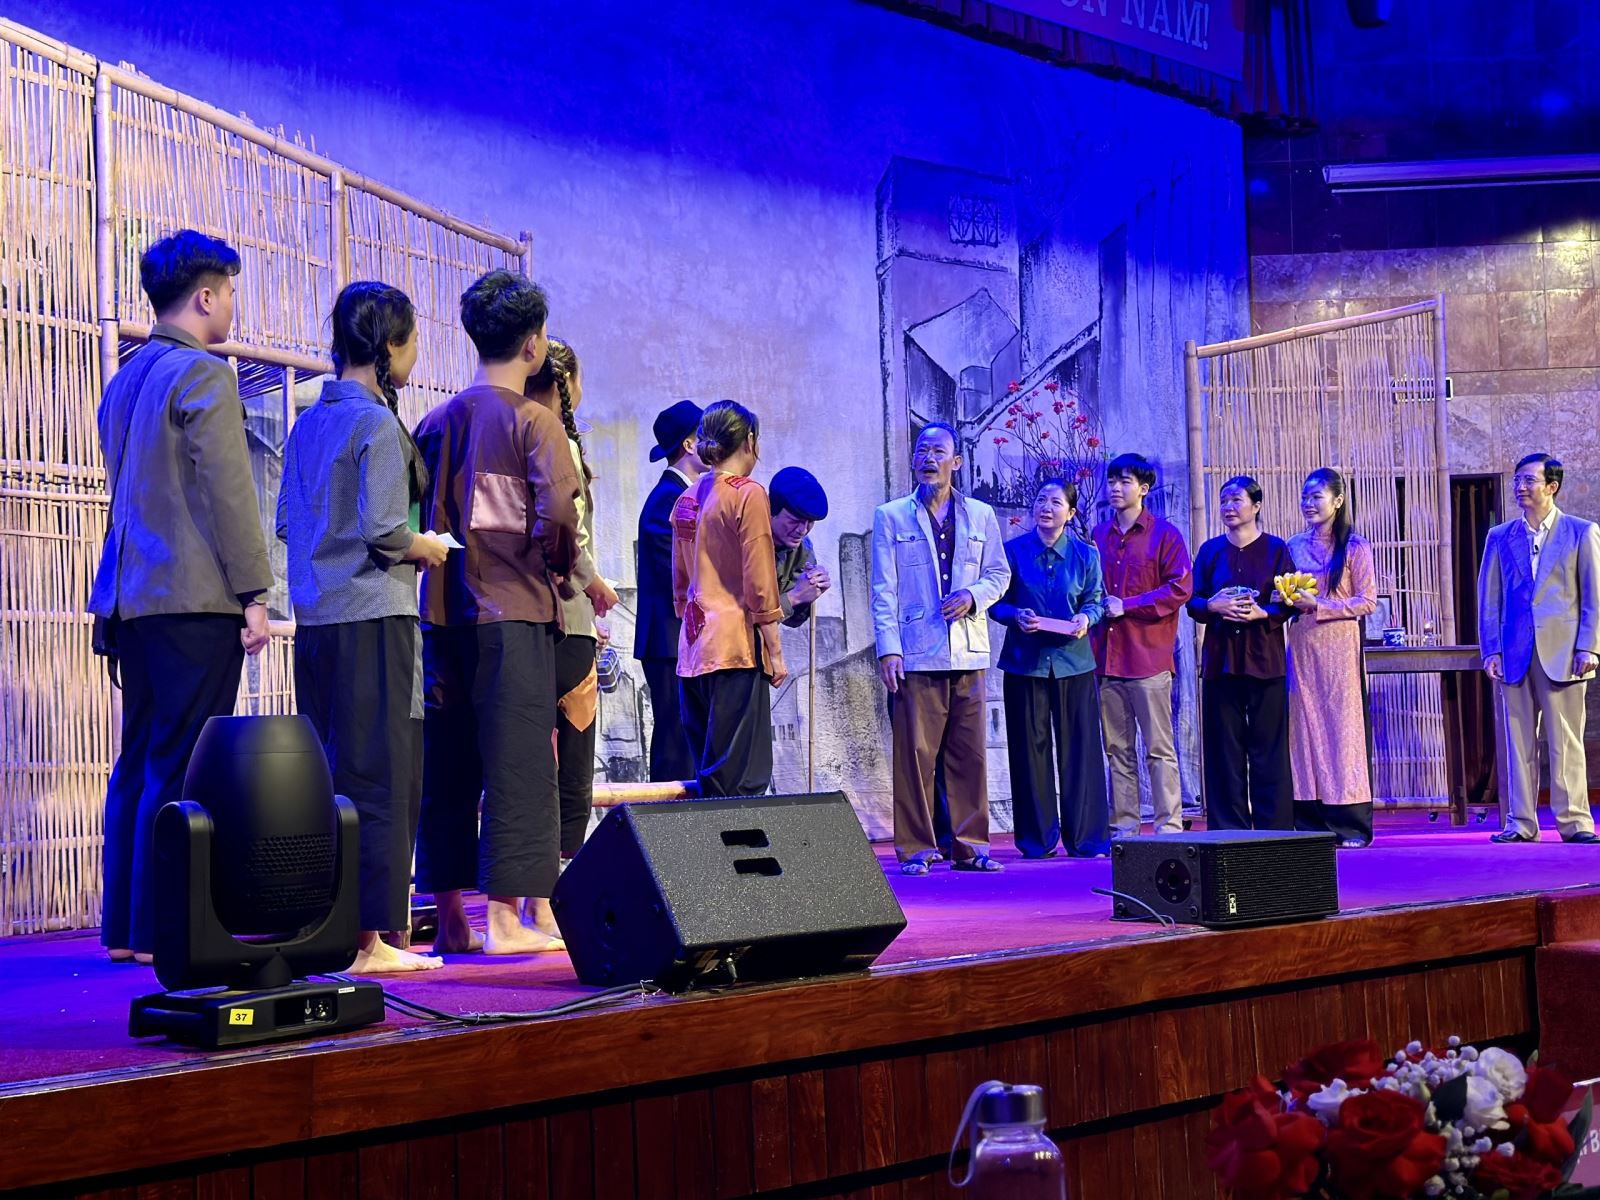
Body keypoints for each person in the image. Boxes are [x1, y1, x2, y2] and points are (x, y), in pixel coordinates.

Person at [90, 230, 273, 964]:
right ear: (204, 297)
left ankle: (126, 931)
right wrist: (254, 592)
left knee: (140, 758)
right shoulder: (202, 374)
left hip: (128, 599)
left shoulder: (126, 379)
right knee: (181, 765)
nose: (231, 306)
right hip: (193, 598)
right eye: (228, 293)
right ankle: (164, 930)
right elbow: (230, 494)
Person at [276, 281, 450, 973]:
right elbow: (385, 530)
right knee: (383, 773)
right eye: (412, 340)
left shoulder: (307, 424)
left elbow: (288, 525)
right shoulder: (375, 424)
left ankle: (338, 927)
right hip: (375, 619)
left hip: (318, 623)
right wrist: (427, 546)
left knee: (333, 773)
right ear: (389, 345)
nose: (414, 353)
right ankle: (370, 939)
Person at [412, 270, 580, 954]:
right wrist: (557, 563)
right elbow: (559, 513)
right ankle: (507, 921)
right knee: (519, 764)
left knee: (448, 764)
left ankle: (452, 919)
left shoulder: (434, 422)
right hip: (513, 611)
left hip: (442, 612)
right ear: (533, 346)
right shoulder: (535, 421)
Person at [870, 422, 1010, 875]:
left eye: (938, 452)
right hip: (916, 652)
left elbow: (999, 574)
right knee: (916, 757)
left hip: (968, 650)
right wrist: (889, 649)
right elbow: (883, 589)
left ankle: (971, 846)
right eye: (922, 451)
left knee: (969, 754)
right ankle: (916, 848)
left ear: (956, 462)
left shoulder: (981, 515)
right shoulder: (892, 516)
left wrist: (973, 595)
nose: (928, 458)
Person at [524, 339, 617, 935]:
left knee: (539, 760)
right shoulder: (552, 439)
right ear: (568, 384)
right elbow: (566, 532)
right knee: (570, 762)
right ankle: (552, 899)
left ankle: (536, 898)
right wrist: (594, 584)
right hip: (563, 616)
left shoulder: (517, 432)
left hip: (539, 618)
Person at [1479, 452, 1600, 844]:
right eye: (1517, 480)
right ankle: (1520, 823)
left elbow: (1593, 597)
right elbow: (1489, 599)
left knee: (1566, 741)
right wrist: (1491, 650)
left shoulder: (1581, 532)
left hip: (1564, 653)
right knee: (1517, 742)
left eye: (1529, 480)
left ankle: (1575, 822)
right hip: (1515, 653)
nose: (1520, 487)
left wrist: (1589, 647)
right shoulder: (1500, 537)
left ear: (1552, 486)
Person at [671, 401, 788, 796]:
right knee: (742, 779)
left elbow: (679, 584)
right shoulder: (748, 494)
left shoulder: (687, 499)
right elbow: (760, 583)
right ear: (749, 441)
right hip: (735, 647)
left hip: (693, 649)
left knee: (711, 776)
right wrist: (775, 652)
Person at [993, 479, 1109, 858]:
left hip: (1074, 663)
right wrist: (1016, 615)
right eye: (1041, 500)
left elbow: (1095, 601)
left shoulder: (1085, 555)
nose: (1046, 507)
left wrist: (1085, 619)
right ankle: (1037, 839)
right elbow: (996, 603)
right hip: (1025, 664)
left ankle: (1086, 839)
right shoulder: (1012, 552)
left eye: (1056, 502)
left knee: (1080, 750)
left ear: (1070, 513)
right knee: (1030, 750)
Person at [1090, 453, 1192, 838]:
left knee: (1159, 749)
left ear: (1144, 489)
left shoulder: (1165, 534)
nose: (1116, 488)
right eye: (1112, 481)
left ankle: (1169, 828)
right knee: (1117, 751)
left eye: (1125, 481)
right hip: (1107, 660)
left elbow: (1180, 588)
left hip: (1148, 659)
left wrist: (1127, 605)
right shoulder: (1098, 535)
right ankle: (1125, 829)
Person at [1186, 476, 1294, 831]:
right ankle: (1228, 830)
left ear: (1256, 506)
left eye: (1236, 500)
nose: (1228, 508)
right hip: (1221, 661)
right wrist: (1213, 605)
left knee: (1269, 749)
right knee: (1224, 749)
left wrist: (1263, 613)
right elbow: (1193, 601)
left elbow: (1290, 601)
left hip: (1265, 660)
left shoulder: (1276, 549)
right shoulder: (1210, 550)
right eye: (1224, 501)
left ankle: (1275, 830)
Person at [1286, 467, 1378, 848]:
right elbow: (1284, 593)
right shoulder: (1293, 546)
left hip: (1339, 648)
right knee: (1303, 730)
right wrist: (1285, 599)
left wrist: (1319, 605)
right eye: (1305, 497)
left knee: (1342, 731)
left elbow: (1367, 601)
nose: (1308, 504)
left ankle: (1351, 824)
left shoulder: (1355, 547)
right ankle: (1309, 822)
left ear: (1338, 501)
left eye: (1317, 497)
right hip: (1302, 647)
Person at [634, 401, 705, 782]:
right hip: (668, 639)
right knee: (675, 740)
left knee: (685, 736)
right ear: (690, 444)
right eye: (708, 436)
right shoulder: (669, 498)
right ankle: (666, 816)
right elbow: (678, 571)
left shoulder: (685, 494)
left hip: (678, 638)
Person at [769, 466, 832, 627]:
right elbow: (742, 622)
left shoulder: (803, 549)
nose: (802, 530)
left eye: (809, 522)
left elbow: (792, 621)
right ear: (771, 511)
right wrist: (795, 596)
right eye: (795, 521)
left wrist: (809, 592)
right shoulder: (744, 542)